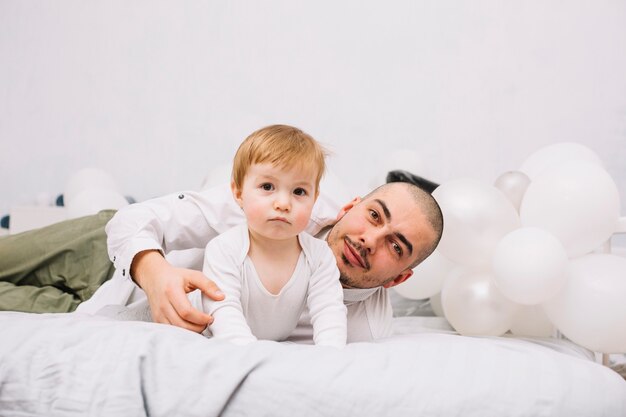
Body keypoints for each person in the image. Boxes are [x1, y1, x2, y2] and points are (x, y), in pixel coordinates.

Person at [1, 127, 444, 344]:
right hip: (101, 251)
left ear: (399, 278)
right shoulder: (282, 205)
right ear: (349, 206)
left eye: (396, 246)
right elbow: (134, 221)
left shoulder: (361, 331)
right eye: (373, 215)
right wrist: (154, 274)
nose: (371, 238)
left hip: (97, 311)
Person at [184, 125, 345, 347]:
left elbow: (329, 309)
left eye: (299, 192)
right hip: (202, 331)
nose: (283, 204)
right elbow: (223, 311)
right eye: (267, 186)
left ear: (314, 199)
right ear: (239, 193)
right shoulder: (224, 249)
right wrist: (251, 353)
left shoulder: (319, 256)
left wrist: (331, 354)